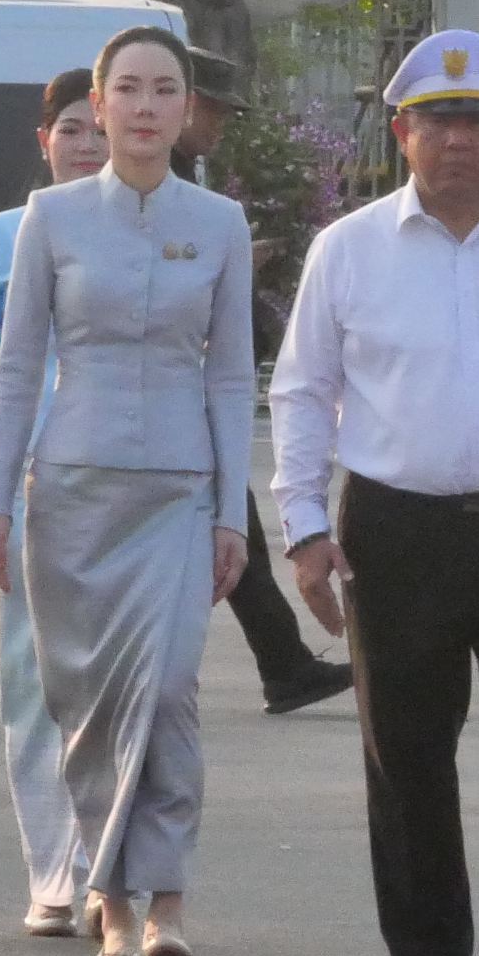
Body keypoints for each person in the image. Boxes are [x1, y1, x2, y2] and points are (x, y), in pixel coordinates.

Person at [273, 30, 479, 956]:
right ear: (399, 132)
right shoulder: (348, 248)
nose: (455, 141)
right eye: (435, 121)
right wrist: (305, 525)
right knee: (406, 757)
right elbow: (302, 389)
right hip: (394, 527)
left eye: (476, 122)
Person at [0, 24, 257, 956]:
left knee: (170, 689)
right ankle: (112, 908)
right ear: (95, 107)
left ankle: (167, 899)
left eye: (163, 90)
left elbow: (229, 377)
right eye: (126, 89)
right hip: (72, 490)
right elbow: (15, 371)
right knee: (83, 702)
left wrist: (231, 513)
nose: (142, 108)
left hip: (177, 491)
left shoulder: (219, 224)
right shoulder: (50, 219)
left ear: (188, 113)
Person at [0, 67, 105, 936]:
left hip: (122, 484)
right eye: (74, 129)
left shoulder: (152, 231)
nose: (88, 145)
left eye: (101, 128)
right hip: (23, 485)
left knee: (114, 686)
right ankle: (53, 872)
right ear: (43, 138)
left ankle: (107, 868)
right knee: (30, 684)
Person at [177, 44, 356, 716]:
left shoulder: (188, 177)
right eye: (216, 109)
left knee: (237, 525)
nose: (221, 124)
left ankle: (284, 663)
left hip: (199, 392)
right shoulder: (153, 182)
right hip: (161, 404)